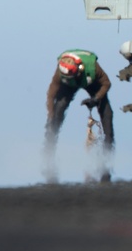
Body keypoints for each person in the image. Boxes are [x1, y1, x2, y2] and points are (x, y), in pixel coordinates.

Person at [44, 49, 114, 182]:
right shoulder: (61, 73)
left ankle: (107, 158)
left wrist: (96, 98)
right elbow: (51, 94)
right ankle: (48, 156)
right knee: (57, 111)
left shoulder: (93, 68)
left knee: (107, 114)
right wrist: (50, 115)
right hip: (68, 85)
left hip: (91, 81)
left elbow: (107, 83)